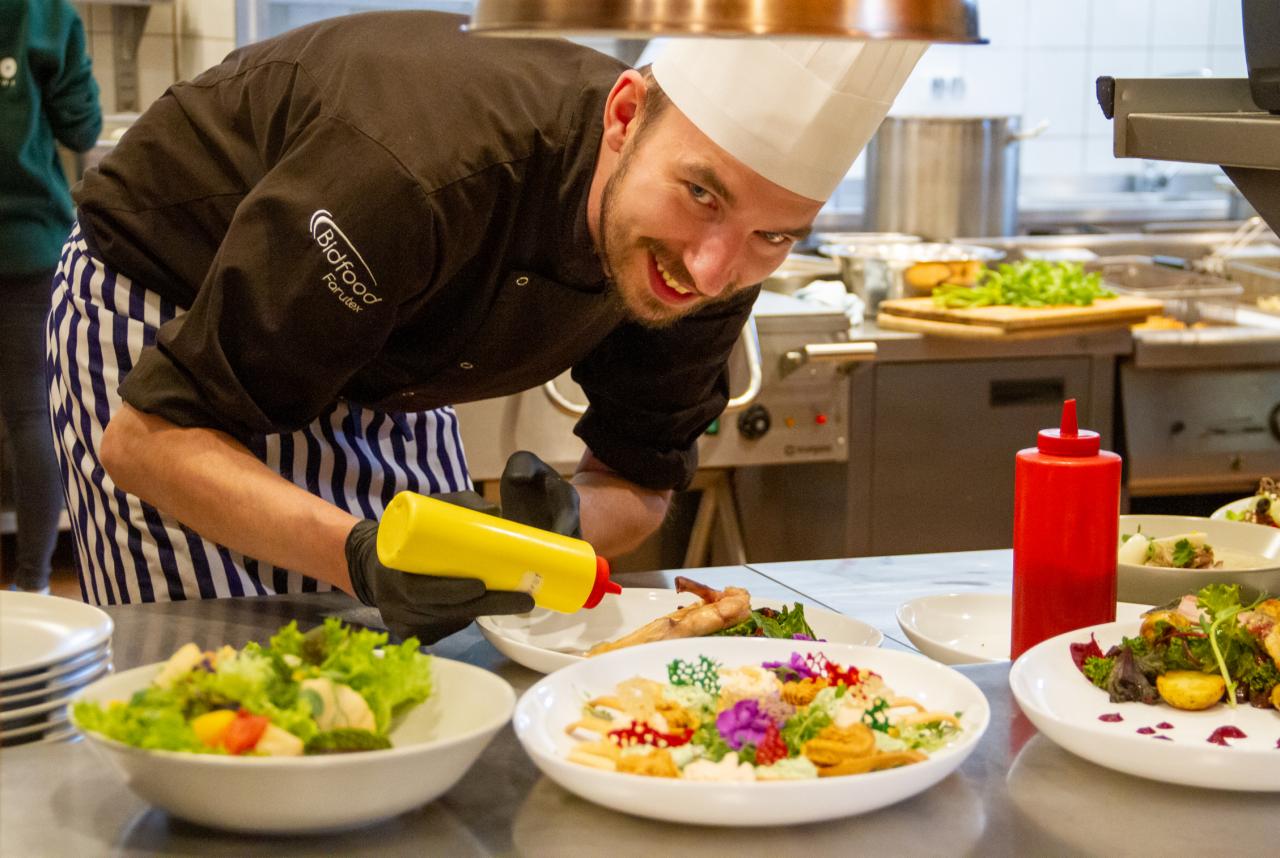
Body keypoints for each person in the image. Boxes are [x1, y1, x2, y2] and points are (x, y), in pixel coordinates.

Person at [49, 11, 925, 641]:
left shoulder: (720, 260)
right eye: (699, 193)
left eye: (775, 236)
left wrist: (559, 528)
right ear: (625, 117)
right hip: (169, 314)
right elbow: (147, 439)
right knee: (220, 664)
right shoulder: (418, 171)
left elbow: (639, 481)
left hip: (386, 361)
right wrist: (360, 557)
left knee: (444, 649)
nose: (708, 270)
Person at [0, 0, 100, 594]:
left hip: (29, 247)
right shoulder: (45, 14)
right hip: (28, 244)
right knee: (31, 416)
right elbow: (82, 127)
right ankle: (32, 586)